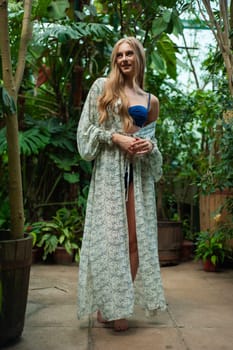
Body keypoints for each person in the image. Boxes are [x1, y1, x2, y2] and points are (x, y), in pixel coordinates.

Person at [77, 37, 166, 332]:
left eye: (129, 53)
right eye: (119, 55)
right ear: (115, 59)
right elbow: (87, 129)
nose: (124, 59)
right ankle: (108, 304)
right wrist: (115, 137)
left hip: (136, 177)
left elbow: (152, 139)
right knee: (109, 240)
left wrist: (147, 147)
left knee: (134, 241)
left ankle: (120, 302)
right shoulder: (102, 87)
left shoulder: (150, 100)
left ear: (139, 57)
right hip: (109, 173)